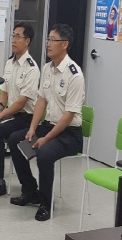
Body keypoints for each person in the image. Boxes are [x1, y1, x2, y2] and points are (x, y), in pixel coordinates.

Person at [8, 24, 85, 221]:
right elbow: (41, 101)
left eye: (53, 40)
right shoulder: (47, 68)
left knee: (44, 153)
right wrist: (33, 129)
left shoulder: (74, 75)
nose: (48, 44)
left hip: (70, 134)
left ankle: (45, 203)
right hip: (49, 126)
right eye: (48, 39)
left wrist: (46, 138)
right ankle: (30, 190)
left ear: (64, 44)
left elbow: (68, 116)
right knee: (16, 139)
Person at [0, 22, 40, 198]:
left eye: (18, 37)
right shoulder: (9, 63)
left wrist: (1, 115)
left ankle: (3, 182)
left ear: (27, 41)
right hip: (13, 115)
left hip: (27, 119)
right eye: (13, 36)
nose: (13, 40)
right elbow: (5, 95)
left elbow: (21, 103)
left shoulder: (32, 69)